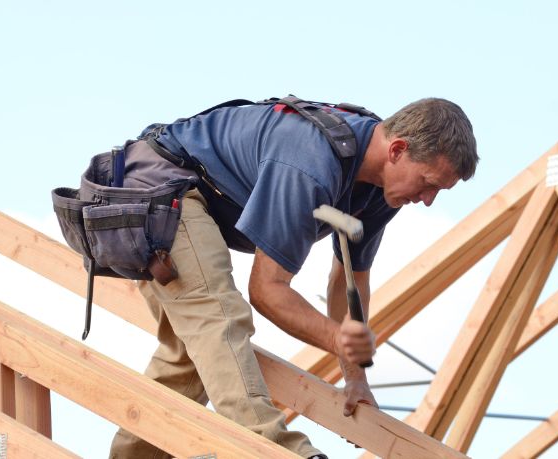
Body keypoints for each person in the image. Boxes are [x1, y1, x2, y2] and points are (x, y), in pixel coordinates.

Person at [108, 97, 479, 458]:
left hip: (192, 200)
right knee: (218, 318)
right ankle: (275, 450)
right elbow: (267, 291)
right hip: (161, 189)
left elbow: (348, 281)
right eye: (428, 183)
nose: (428, 199)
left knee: (191, 360)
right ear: (397, 150)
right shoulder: (311, 162)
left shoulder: (382, 191)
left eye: (438, 191)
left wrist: (355, 378)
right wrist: (338, 338)